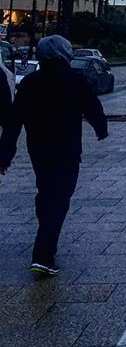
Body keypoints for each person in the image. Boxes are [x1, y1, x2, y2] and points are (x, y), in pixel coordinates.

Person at [0, 36, 108, 276]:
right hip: (67, 150)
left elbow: (13, 123)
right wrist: (101, 129)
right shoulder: (75, 80)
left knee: (47, 192)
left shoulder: (29, 83)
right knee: (59, 199)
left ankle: (46, 235)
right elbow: (93, 107)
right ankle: (43, 255)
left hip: (38, 150)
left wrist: (4, 156)